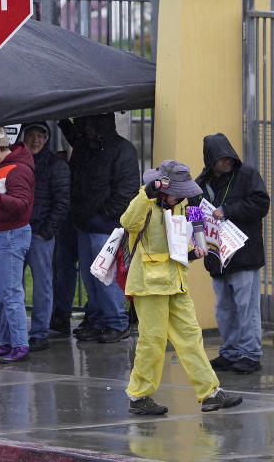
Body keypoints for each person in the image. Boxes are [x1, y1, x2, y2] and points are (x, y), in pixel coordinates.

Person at [122, 160, 242, 415]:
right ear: (163, 187)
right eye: (180, 191)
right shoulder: (146, 205)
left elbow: (176, 246)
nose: (184, 196)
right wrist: (146, 194)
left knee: (191, 337)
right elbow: (127, 222)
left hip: (175, 283)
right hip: (149, 286)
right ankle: (138, 396)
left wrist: (195, 251)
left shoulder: (179, 209)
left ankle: (210, 392)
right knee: (152, 341)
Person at [192, 133, 270, 374]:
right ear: (210, 160)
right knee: (224, 308)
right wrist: (197, 239)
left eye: (229, 157)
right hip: (218, 257)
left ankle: (250, 354)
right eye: (221, 158)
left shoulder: (247, 175)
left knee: (246, 306)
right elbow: (194, 211)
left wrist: (227, 210)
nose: (227, 161)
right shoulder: (200, 182)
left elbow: (261, 204)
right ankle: (231, 351)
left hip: (243, 255)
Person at [61, 113, 138, 343]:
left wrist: (101, 215)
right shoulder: (93, 146)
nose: (85, 130)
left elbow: (126, 191)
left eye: (88, 125)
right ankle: (100, 319)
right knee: (92, 276)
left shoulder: (113, 149)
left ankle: (114, 321)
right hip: (91, 222)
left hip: (104, 225)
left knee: (104, 276)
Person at [0, 126, 35, 363]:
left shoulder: (17, 170)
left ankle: (19, 343)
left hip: (10, 235)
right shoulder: (0, 168)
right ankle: (7, 341)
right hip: (0, 235)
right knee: (3, 294)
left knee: (11, 293)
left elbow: (22, 206)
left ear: (5, 149)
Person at [19, 122, 70, 351]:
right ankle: (15, 332)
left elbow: (62, 203)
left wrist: (46, 232)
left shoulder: (56, 165)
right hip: (16, 232)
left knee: (42, 286)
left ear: (47, 139)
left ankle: (39, 333)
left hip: (40, 234)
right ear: (24, 137)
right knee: (12, 287)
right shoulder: (16, 162)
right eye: (32, 135)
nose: (36, 140)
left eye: (40, 135)